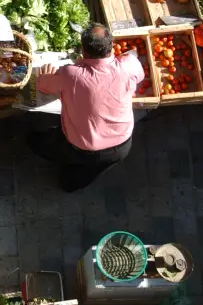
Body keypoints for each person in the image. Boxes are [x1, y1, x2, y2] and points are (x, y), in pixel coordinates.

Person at [30, 24, 143, 192]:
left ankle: (54, 163)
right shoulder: (128, 66)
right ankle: (72, 185)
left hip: (82, 148)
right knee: (91, 171)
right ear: (111, 46)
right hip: (121, 144)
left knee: (46, 146)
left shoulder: (72, 75)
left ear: (83, 50)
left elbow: (42, 85)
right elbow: (138, 72)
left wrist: (44, 75)